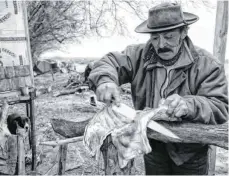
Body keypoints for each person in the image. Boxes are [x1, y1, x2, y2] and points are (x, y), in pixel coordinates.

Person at [88, 2, 228, 175]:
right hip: (152, 145)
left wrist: (189, 105)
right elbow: (109, 62)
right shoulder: (138, 55)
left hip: (190, 153)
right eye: (155, 38)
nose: (161, 44)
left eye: (168, 36)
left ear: (183, 32)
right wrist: (104, 80)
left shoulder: (208, 65)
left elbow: (220, 107)